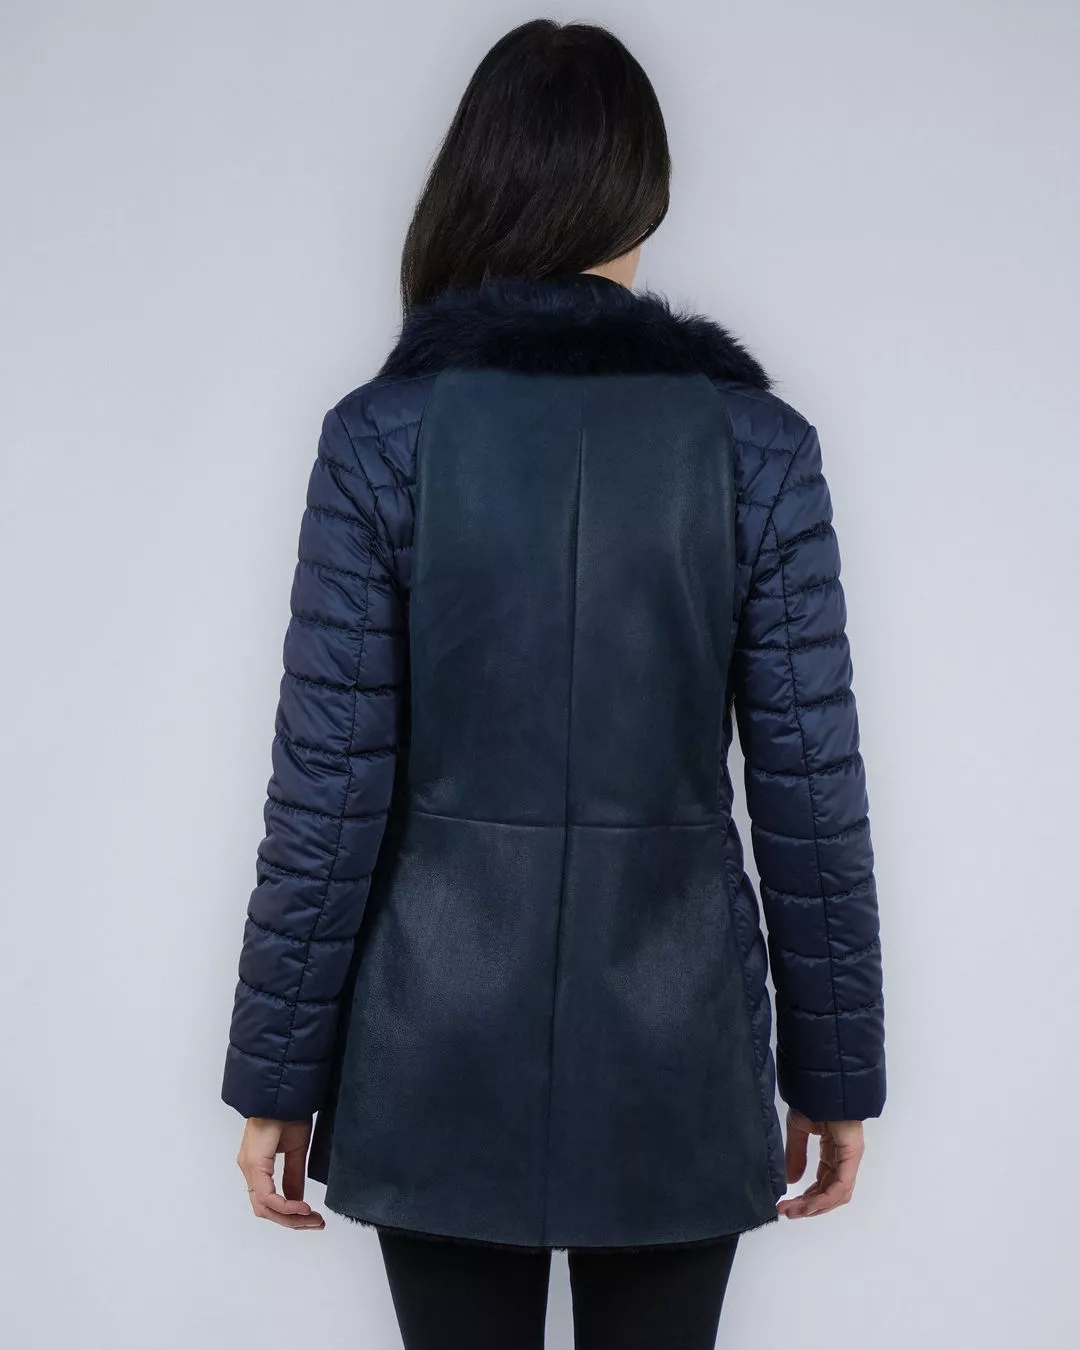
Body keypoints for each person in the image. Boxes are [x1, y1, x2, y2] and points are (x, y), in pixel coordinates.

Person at [220, 17, 887, 1349]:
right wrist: (836, 1070)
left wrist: (276, 1074)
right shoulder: (756, 449)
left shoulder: (383, 440)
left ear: (479, 182)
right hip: (679, 1041)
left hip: (435, 1040)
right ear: (645, 198)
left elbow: (326, 795)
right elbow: (811, 794)